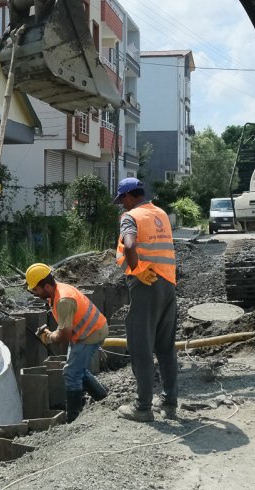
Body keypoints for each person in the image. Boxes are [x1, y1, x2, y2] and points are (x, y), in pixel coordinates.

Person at [112, 177, 179, 422]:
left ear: (130, 196)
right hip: (168, 285)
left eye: (122, 200)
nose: (122, 205)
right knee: (165, 347)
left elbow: (129, 245)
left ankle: (143, 407)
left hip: (146, 284)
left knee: (141, 347)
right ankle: (170, 403)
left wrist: (137, 268)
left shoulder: (131, 217)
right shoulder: (160, 213)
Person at [25, 263, 109, 421]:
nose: (34, 294)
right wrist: (53, 334)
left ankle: (73, 419)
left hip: (91, 334)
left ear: (47, 286)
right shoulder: (57, 291)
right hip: (84, 332)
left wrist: (49, 337)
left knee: (71, 374)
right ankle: (103, 399)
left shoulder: (63, 300)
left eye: (36, 290)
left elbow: (64, 336)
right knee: (77, 370)